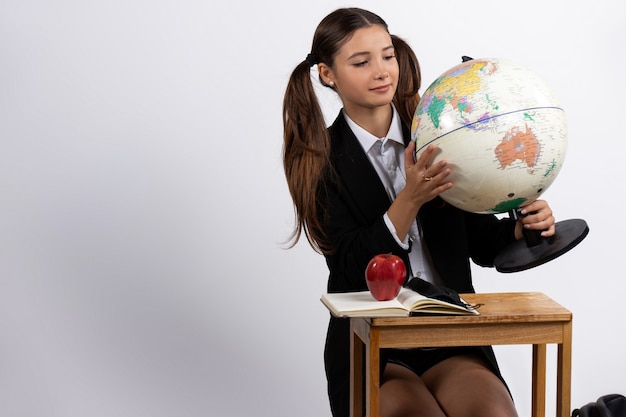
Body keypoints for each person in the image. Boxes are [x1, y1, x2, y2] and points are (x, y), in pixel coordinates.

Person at [282, 7, 556, 417]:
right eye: (361, 62)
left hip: (450, 332)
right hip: (373, 343)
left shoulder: (441, 132)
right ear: (327, 74)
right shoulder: (317, 158)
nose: (381, 71)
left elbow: (480, 243)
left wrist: (522, 229)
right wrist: (408, 199)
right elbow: (347, 267)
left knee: (495, 412)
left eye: (387, 55)